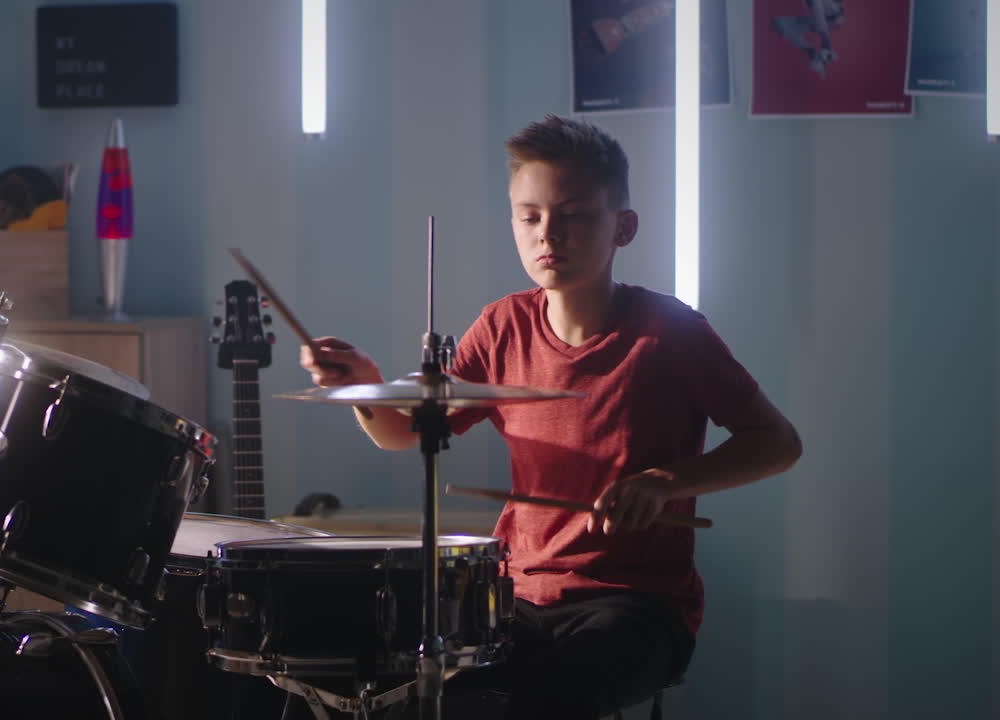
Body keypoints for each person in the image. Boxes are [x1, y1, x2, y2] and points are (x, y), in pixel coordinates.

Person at [299, 115, 802, 719]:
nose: (549, 234)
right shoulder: (502, 326)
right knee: (387, 688)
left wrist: (665, 482)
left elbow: (777, 442)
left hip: (637, 604)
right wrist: (362, 384)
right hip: (516, 596)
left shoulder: (672, 331)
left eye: (574, 215)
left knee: (551, 698)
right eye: (530, 217)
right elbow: (405, 431)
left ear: (624, 228)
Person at [771, 0, 845, 78]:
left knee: (816, 5)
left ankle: (826, 52)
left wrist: (826, 39)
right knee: (779, 23)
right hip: (824, 17)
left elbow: (819, 10)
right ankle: (815, 54)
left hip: (830, 18)